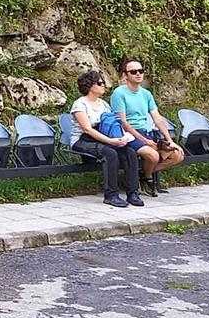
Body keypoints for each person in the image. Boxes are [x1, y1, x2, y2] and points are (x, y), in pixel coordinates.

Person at [69, 69, 144, 208]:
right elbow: (87, 129)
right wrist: (110, 141)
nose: (103, 85)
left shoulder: (104, 104)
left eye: (103, 82)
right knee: (110, 153)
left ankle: (133, 193)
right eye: (99, 83)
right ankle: (111, 195)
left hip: (102, 138)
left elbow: (113, 124)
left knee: (130, 152)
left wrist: (123, 138)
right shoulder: (80, 104)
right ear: (89, 86)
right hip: (82, 140)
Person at [111, 59, 185, 197]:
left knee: (177, 155)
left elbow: (157, 118)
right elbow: (123, 122)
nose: (138, 74)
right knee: (153, 155)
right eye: (133, 72)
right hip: (129, 134)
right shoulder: (119, 94)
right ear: (125, 75)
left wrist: (169, 140)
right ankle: (147, 179)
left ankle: (143, 174)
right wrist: (144, 140)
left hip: (147, 132)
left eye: (141, 71)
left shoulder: (146, 94)